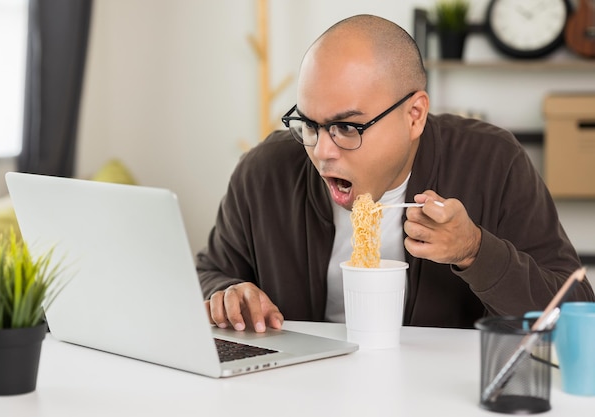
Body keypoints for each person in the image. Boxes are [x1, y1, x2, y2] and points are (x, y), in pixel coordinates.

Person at [196, 14, 594, 332]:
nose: (323, 151)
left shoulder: (494, 162)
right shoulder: (265, 172)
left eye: (348, 127)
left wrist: (474, 250)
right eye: (309, 124)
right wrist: (226, 293)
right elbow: (210, 272)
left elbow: (576, 310)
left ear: (414, 116)